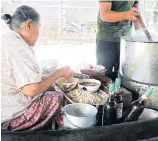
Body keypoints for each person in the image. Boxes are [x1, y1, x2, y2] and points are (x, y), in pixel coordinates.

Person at [1, 5, 72, 131]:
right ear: (28, 24)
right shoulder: (19, 48)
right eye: (38, 27)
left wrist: (52, 78)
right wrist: (59, 72)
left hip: (4, 104)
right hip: (9, 115)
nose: (39, 32)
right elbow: (32, 90)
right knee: (56, 97)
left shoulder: (7, 39)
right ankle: (26, 132)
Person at [96, 0, 139, 74]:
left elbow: (136, 8)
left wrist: (137, 21)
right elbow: (104, 14)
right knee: (104, 76)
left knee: (124, 76)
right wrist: (127, 15)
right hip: (108, 38)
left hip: (126, 39)